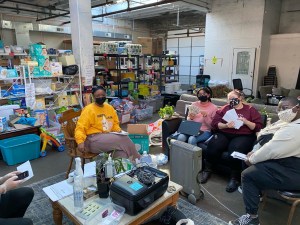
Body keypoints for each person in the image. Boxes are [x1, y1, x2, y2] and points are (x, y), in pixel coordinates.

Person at [229, 97, 300, 225]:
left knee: (248, 174)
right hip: (289, 162)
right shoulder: (289, 122)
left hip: (294, 172)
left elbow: (271, 150)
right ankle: (257, 194)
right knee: (257, 165)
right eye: (279, 109)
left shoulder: (294, 129)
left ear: (298, 108)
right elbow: (267, 135)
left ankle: (252, 218)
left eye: (285, 108)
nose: (281, 112)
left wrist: (252, 158)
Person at [201, 89, 263, 192]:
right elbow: (215, 123)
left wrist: (246, 122)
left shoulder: (250, 109)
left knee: (235, 150)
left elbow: (258, 127)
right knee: (214, 144)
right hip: (225, 132)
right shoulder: (225, 108)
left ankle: (234, 178)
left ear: (240, 98)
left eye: (233, 99)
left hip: (243, 135)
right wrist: (225, 125)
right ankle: (207, 170)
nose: (231, 101)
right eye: (229, 99)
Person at [75, 86, 141, 160]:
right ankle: (137, 159)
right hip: (92, 140)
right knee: (124, 138)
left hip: (107, 137)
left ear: (106, 95)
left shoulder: (109, 107)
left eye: (103, 95)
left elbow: (115, 123)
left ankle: (120, 169)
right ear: (93, 97)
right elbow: (80, 127)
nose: (101, 97)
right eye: (98, 96)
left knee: (121, 153)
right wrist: (80, 141)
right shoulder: (88, 110)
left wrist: (118, 130)